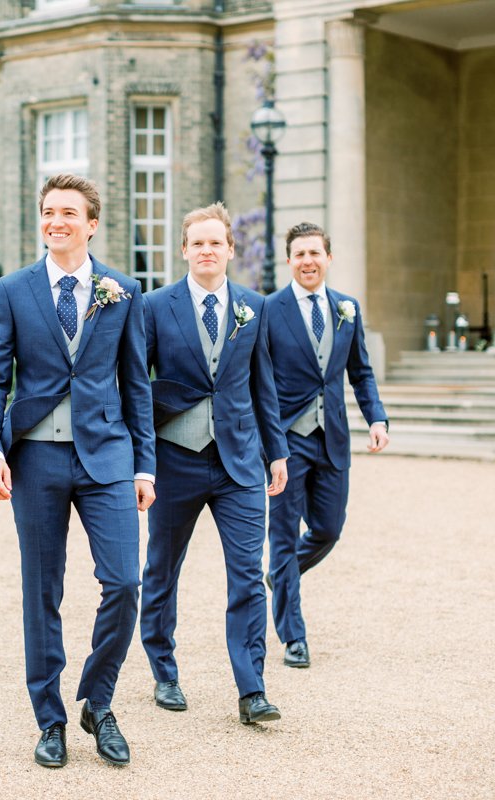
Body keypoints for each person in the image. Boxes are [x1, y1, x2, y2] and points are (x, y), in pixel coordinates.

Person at [0, 174, 156, 768]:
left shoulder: (122, 291)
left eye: (69, 213)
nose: (57, 222)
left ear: (92, 223)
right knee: (41, 591)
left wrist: (145, 466)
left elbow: (137, 387)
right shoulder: (13, 290)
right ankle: (49, 719)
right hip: (36, 459)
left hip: (108, 457)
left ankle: (97, 702)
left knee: (125, 582)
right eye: (49, 212)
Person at [139, 203, 289, 724]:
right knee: (162, 569)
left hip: (239, 464)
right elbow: (138, 386)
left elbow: (263, 385)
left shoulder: (255, 306)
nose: (206, 251)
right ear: (184, 249)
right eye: (197, 243)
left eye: (215, 243)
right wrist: (142, 461)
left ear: (230, 249)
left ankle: (252, 690)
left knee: (248, 574)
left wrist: (277, 452)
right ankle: (164, 671)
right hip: (173, 461)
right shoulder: (155, 306)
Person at [265, 222, 389, 669]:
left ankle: (280, 578)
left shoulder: (346, 309)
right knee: (282, 538)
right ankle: (293, 637)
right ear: (289, 261)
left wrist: (376, 417)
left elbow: (361, 372)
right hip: (285, 442)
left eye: (315, 253)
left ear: (328, 258)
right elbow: (259, 379)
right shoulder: (268, 310)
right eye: (299, 254)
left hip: (333, 438)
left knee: (328, 529)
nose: (307, 261)